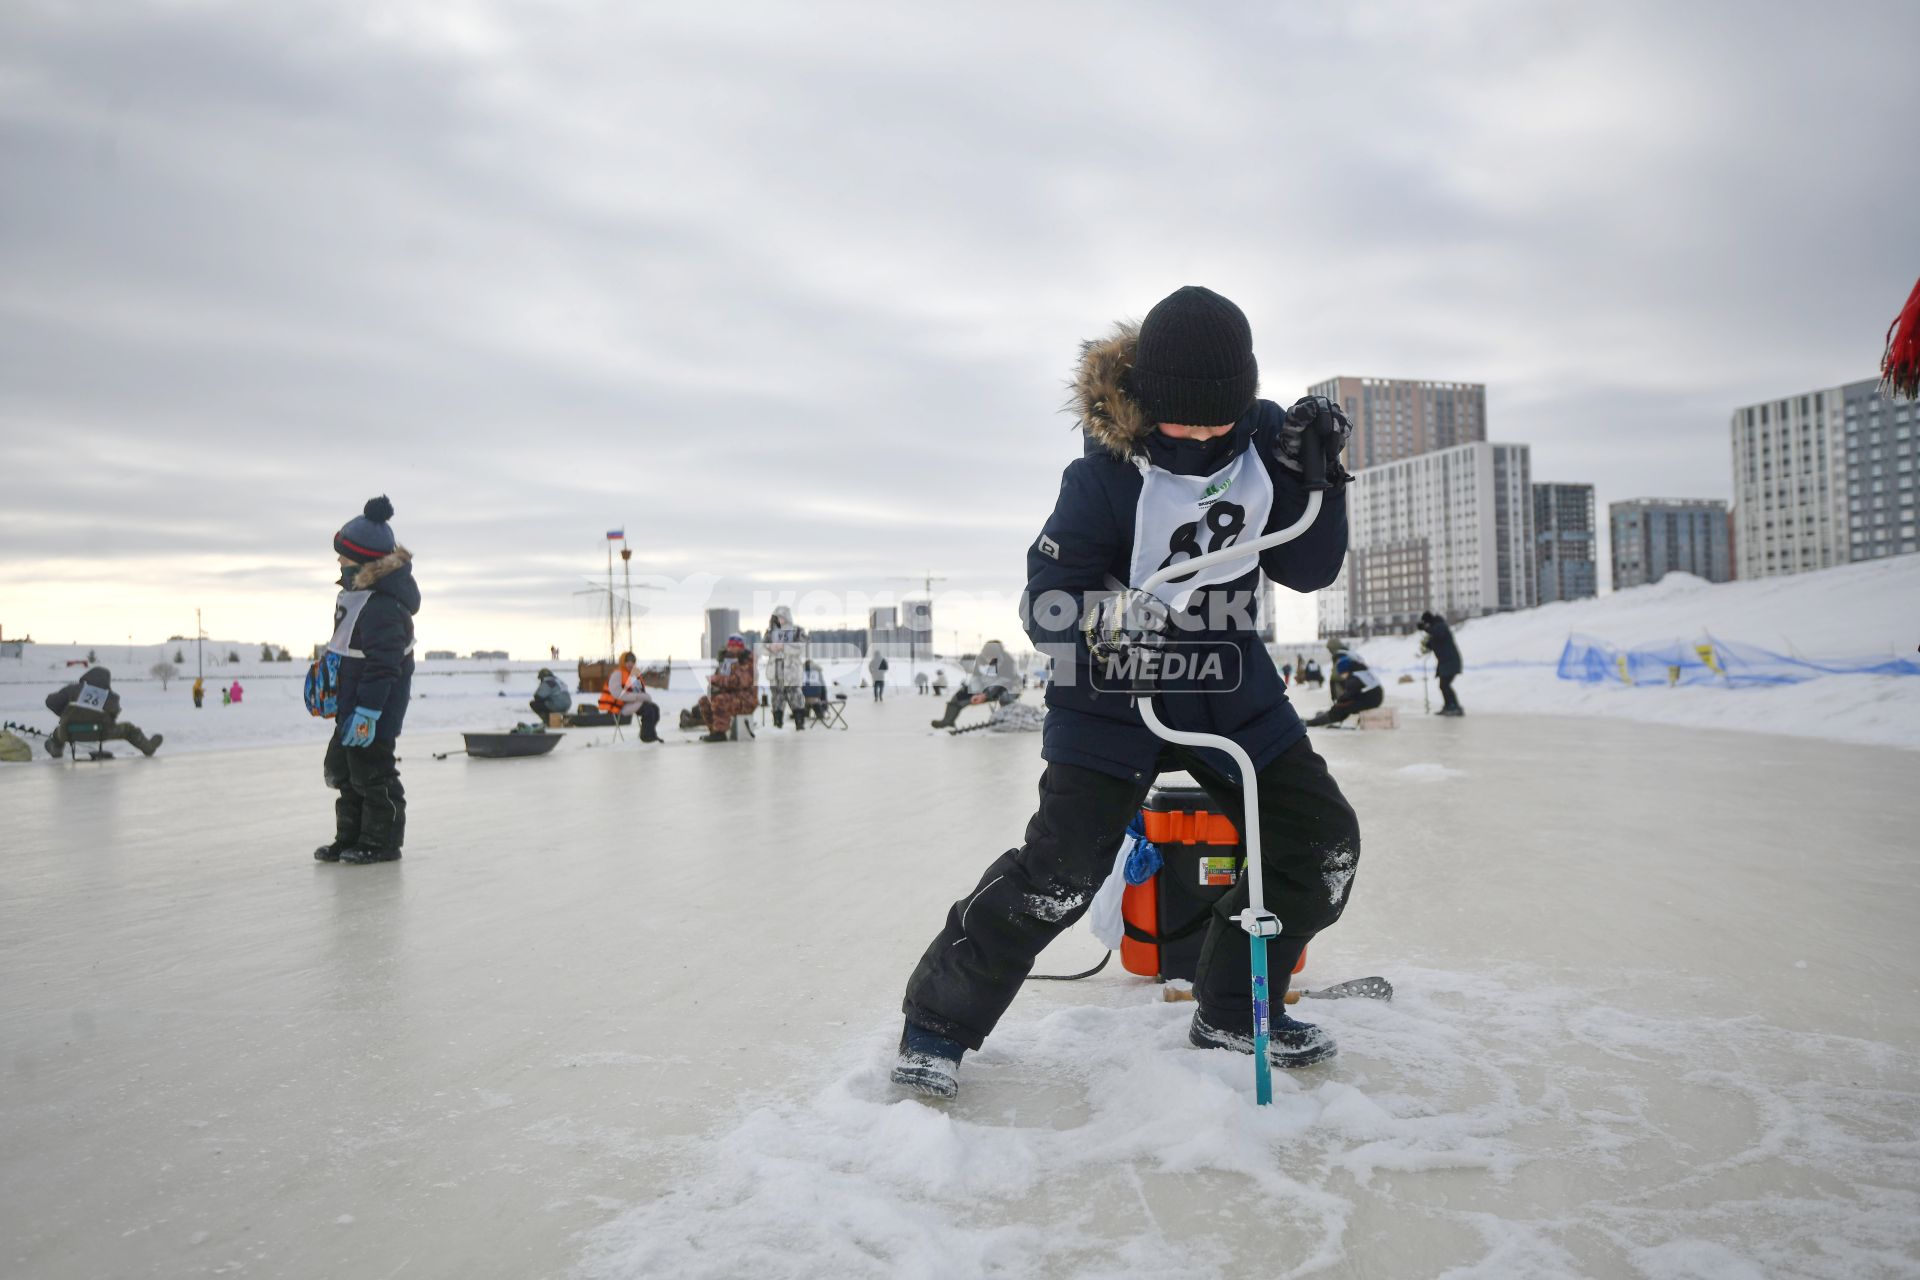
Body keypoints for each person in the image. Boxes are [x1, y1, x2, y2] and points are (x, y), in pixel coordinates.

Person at [892, 285, 1361, 1100]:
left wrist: (1322, 478)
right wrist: (1105, 625)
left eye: (1221, 419)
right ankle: (938, 1022)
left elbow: (1307, 567)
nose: (1205, 436)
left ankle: (1232, 1009)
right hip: (1110, 692)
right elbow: (1043, 602)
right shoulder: (1103, 478)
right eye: (1183, 420)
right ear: (1147, 403)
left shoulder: (1264, 449)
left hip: (1227, 682)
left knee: (1321, 842)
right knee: (1061, 871)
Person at [315, 495, 419, 866]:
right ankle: (351, 837)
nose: (339, 562)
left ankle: (382, 841)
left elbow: (383, 666)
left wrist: (369, 711)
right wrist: (328, 679)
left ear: (364, 561)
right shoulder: (356, 597)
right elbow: (348, 652)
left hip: (374, 708)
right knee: (346, 772)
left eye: (344, 556)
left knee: (373, 773)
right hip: (352, 703)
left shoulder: (384, 606)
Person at [43, 666, 162, 757]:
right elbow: (113, 715)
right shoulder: (111, 696)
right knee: (129, 729)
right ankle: (149, 748)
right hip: (101, 732)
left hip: (68, 732)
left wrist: (64, 714)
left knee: (57, 732)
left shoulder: (71, 689)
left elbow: (50, 702)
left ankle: (56, 750)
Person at [929, 638, 1022, 729]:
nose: (989, 660)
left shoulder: (1008, 660)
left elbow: (1003, 681)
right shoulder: (981, 659)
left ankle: (1008, 717)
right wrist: (975, 692)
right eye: (987, 657)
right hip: (987, 688)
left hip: (1010, 686)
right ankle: (948, 720)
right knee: (961, 694)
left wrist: (985, 695)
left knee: (1005, 696)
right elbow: (976, 678)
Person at [685, 634, 757, 742]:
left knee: (720, 700)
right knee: (705, 701)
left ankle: (720, 732)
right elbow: (720, 679)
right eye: (730, 646)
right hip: (732, 697)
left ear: (741, 647)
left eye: (735, 646)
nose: (731, 648)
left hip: (746, 700)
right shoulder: (727, 661)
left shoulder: (748, 663)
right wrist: (713, 684)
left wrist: (717, 679)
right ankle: (714, 731)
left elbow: (739, 682)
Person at [1304, 653, 1384, 727]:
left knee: (1340, 708)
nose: (1342, 676)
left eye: (1341, 673)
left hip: (1371, 700)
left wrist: (1339, 702)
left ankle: (1312, 722)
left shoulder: (1354, 677)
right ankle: (1324, 716)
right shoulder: (1361, 671)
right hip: (1374, 698)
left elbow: (1349, 694)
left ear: (1345, 670)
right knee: (1344, 705)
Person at [762, 607, 808, 729]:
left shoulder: (797, 631)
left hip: (792, 671)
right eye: (777, 617)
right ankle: (777, 723)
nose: (779, 620)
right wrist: (770, 647)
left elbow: (801, 647)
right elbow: (762, 648)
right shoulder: (770, 632)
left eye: (782, 617)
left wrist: (784, 646)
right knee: (777, 698)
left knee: (795, 696)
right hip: (775, 671)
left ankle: (800, 723)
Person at [599, 651, 661, 741]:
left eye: (632, 662)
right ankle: (647, 738)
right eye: (627, 661)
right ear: (623, 662)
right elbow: (617, 693)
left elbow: (640, 691)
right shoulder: (617, 674)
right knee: (648, 709)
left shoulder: (635, 674)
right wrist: (635, 697)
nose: (630, 664)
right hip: (619, 705)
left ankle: (650, 734)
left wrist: (642, 696)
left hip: (633, 703)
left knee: (654, 708)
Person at [1418, 610, 1464, 716]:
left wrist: (1425, 628)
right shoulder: (1435, 628)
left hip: (1450, 661)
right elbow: (1431, 643)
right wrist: (1425, 644)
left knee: (1445, 685)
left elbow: (1438, 634)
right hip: (1445, 662)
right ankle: (1449, 705)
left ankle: (1454, 706)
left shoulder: (1440, 625)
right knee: (1443, 685)